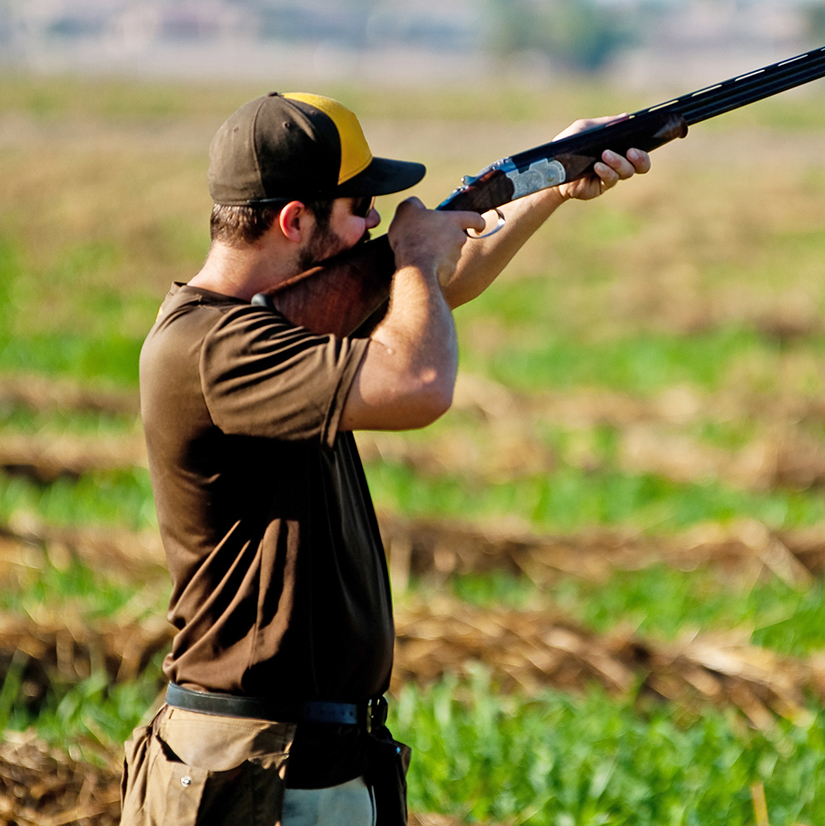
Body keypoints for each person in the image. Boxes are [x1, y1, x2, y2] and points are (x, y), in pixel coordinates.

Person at [119, 91, 649, 826]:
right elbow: (418, 383)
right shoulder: (212, 347)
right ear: (293, 221)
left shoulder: (262, 325)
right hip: (253, 769)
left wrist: (555, 174)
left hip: (303, 758)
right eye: (360, 207)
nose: (376, 223)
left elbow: (443, 283)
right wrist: (413, 258)